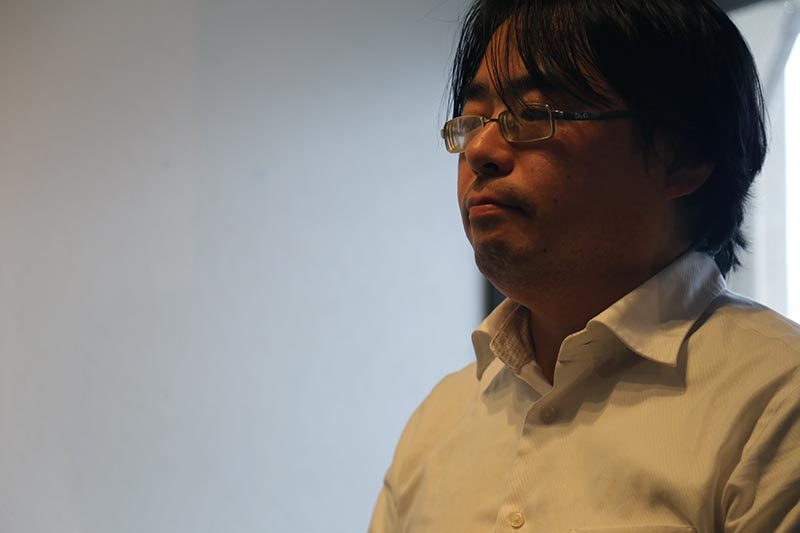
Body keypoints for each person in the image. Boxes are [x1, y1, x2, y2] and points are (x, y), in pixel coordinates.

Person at [369, 0, 800, 531]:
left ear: (682, 154)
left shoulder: (778, 400)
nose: (479, 149)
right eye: (473, 120)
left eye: (533, 114)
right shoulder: (439, 420)